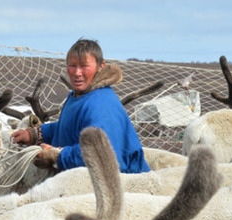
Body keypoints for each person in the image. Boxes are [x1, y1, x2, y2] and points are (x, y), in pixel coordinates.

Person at [12, 38, 150, 174]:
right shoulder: (79, 96)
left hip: (122, 185)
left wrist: (57, 156)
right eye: (72, 65)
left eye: (84, 66)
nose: (77, 73)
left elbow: (100, 153)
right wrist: (35, 134)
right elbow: (69, 128)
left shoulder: (100, 103)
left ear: (100, 67)